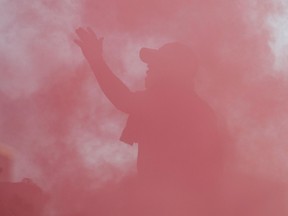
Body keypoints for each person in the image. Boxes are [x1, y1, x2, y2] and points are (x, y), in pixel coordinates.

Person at [75, 27, 227, 215]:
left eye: (156, 63)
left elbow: (123, 99)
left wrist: (96, 61)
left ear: (173, 70)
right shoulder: (202, 109)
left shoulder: (170, 99)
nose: (148, 68)